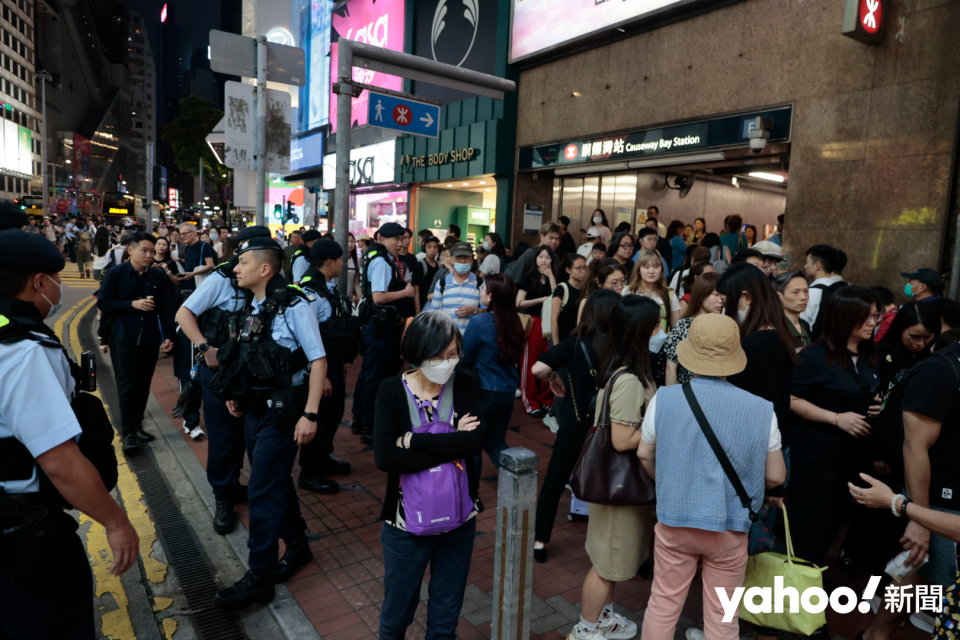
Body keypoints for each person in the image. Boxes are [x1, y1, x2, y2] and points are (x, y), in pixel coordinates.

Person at [0, 230, 140, 639]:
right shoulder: (25, 352)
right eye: (57, 280)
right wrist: (116, 523)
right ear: (39, 282)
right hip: (24, 534)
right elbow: (60, 463)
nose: (60, 289)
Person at [638, 314, 786, 640]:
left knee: (663, 603)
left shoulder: (664, 399)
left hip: (675, 518)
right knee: (722, 615)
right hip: (731, 527)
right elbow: (776, 476)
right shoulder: (761, 409)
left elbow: (645, 455)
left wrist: (667, 482)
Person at [206, 237, 325, 609]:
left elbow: (317, 360)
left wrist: (310, 414)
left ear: (265, 269)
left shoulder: (294, 304)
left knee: (261, 489)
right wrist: (235, 393)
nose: (235, 268)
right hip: (252, 410)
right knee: (272, 481)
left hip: (283, 413)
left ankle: (259, 575)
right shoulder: (251, 306)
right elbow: (247, 355)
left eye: (241, 262)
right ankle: (299, 544)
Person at [373, 311, 485, 640]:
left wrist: (416, 441)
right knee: (396, 616)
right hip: (405, 528)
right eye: (438, 356)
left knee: (445, 617)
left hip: (460, 521)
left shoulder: (464, 382)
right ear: (417, 353)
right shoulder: (391, 391)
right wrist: (453, 438)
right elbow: (387, 457)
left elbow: (475, 441)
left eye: (454, 354)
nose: (447, 363)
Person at [567, 295, 661, 640]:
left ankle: (602, 618)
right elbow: (622, 439)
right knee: (607, 566)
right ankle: (586, 628)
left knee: (611, 561)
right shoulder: (630, 379)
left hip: (618, 486)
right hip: (619, 485)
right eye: (654, 323)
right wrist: (657, 430)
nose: (659, 328)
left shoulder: (624, 367)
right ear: (641, 330)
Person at [857, 335, 960, 640]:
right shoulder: (941, 369)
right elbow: (915, 447)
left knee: (919, 574)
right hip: (942, 497)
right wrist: (918, 516)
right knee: (931, 577)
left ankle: (875, 634)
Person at [176, 226, 272, 534]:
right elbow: (184, 314)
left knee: (249, 435)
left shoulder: (271, 284)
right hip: (219, 373)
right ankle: (223, 496)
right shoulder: (221, 279)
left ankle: (238, 486)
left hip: (253, 374)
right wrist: (206, 348)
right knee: (223, 439)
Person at [788, 286, 882, 567]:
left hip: (851, 458)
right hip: (817, 455)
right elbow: (790, 398)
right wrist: (836, 417)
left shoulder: (868, 354)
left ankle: (812, 578)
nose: (871, 322)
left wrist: (877, 407)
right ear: (843, 318)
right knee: (812, 527)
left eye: (875, 316)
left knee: (834, 522)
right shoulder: (815, 356)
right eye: (864, 317)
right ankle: (801, 591)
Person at [532, 290, 621, 562]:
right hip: (610, 428)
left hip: (574, 424)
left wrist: (553, 379)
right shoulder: (622, 346)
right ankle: (612, 544)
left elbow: (537, 369)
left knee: (554, 482)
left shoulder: (573, 344)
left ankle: (540, 541)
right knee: (610, 483)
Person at [97, 232, 175, 452]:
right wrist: (132, 304)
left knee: (143, 385)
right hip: (124, 338)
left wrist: (168, 335)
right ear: (130, 250)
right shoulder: (115, 274)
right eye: (145, 250)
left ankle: (138, 425)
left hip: (149, 338)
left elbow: (167, 308)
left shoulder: (158, 276)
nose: (150, 255)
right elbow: (105, 303)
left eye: (152, 251)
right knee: (127, 386)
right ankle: (128, 432)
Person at [296, 240, 356, 495]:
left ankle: (323, 458)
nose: (343, 264)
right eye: (341, 260)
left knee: (333, 415)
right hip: (320, 368)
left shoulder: (325, 287)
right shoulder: (310, 292)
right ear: (330, 261)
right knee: (319, 420)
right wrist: (321, 377)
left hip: (331, 364)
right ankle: (309, 472)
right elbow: (307, 338)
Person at [719, 263, 800, 452]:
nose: (723, 309)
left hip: (762, 452)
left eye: (725, 302)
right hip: (775, 446)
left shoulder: (754, 346)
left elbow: (763, 411)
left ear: (746, 298)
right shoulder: (775, 333)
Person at [354, 222, 415, 445]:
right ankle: (368, 425)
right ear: (382, 239)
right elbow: (378, 297)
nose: (400, 244)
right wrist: (405, 292)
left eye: (402, 239)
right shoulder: (380, 262)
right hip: (379, 324)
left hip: (375, 323)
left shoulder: (375, 257)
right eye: (395, 240)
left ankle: (359, 419)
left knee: (368, 372)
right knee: (375, 375)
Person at [462, 274, 523, 469]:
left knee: (473, 445)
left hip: (484, 392)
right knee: (496, 442)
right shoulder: (516, 322)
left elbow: (464, 358)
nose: (480, 291)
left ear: (490, 296)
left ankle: (472, 493)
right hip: (507, 392)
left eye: (483, 289)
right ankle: (516, 481)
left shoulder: (480, 322)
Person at [517, 246, 560, 417]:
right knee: (529, 363)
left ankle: (545, 400)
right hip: (532, 322)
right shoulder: (529, 277)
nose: (544, 260)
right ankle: (530, 401)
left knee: (548, 362)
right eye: (541, 257)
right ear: (535, 259)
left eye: (547, 257)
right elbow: (518, 302)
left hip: (549, 323)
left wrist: (550, 276)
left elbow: (557, 296)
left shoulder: (554, 277)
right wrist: (541, 300)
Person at [664, 273, 724, 386]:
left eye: (723, 296)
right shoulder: (684, 326)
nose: (721, 300)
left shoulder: (725, 325)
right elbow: (670, 368)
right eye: (716, 294)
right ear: (701, 294)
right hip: (687, 391)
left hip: (717, 391)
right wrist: (672, 399)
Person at [876, 301, 940, 391]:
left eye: (927, 337)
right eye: (914, 337)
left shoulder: (937, 354)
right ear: (900, 329)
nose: (920, 343)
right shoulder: (882, 353)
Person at [431, 241, 483, 333]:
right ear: (452, 259)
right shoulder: (442, 284)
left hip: (472, 340)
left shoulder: (480, 283)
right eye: (458, 257)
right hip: (447, 339)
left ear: (472, 259)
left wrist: (474, 311)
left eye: (466, 257)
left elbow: (487, 313)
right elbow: (435, 315)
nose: (462, 261)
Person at [624, 249, 680, 331]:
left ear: (661, 269)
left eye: (656, 266)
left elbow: (676, 328)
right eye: (646, 267)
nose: (651, 271)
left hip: (662, 341)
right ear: (639, 270)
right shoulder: (628, 291)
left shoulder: (669, 293)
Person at [801, 244, 847, 340]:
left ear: (817, 265)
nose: (805, 266)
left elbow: (803, 326)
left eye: (807, 262)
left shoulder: (810, 293)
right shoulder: (845, 289)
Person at [551, 253, 587, 344]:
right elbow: (554, 319)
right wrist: (556, 345)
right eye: (579, 268)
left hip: (578, 340)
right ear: (568, 270)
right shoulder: (562, 289)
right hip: (563, 339)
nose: (583, 271)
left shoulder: (586, 290)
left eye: (585, 267)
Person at [773, 270, 812, 349]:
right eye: (795, 292)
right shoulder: (773, 327)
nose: (803, 297)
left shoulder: (805, 325)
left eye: (806, 291)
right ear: (778, 296)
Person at [177, 223, 216, 297]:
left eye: (185, 233)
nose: (182, 236)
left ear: (194, 233)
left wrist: (193, 274)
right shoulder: (187, 247)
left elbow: (210, 265)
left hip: (200, 285)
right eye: (181, 234)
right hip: (188, 285)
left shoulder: (204, 245)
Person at [412, 235, 440, 314]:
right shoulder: (420, 265)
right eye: (429, 247)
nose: (432, 250)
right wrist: (418, 312)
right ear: (424, 248)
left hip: (435, 308)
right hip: (422, 307)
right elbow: (416, 291)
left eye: (435, 247)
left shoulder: (439, 265)